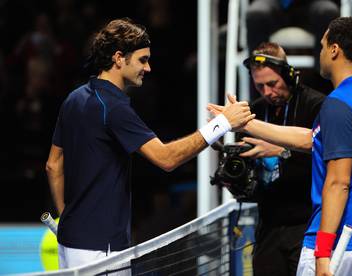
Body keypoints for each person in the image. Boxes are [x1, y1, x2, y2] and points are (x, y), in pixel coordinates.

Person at [45, 18, 255, 269]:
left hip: (70, 242)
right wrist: (222, 124)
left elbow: (53, 166)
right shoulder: (113, 107)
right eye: (142, 60)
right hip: (102, 250)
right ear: (119, 58)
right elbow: (166, 159)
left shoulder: (74, 98)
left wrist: (68, 219)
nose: (149, 68)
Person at [209, 17, 352, 276]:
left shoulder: (336, 104)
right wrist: (245, 124)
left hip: (341, 240)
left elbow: (337, 183)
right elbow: (311, 139)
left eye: (322, 46)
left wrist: (322, 252)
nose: (319, 53)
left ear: (334, 50)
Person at [239, 42, 325, 276]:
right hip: (269, 226)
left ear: (289, 75)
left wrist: (280, 150)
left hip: (307, 224)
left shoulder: (316, 105)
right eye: (259, 86)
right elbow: (248, 188)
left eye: (272, 84)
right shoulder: (250, 115)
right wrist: (235, 179)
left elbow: (327, 160)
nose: (267, 92)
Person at [246, 0, 339, 69]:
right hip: (272, 3)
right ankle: (259, 78)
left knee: (328, 12)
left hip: (314, 3)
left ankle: (325, 85)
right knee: (256, 15)